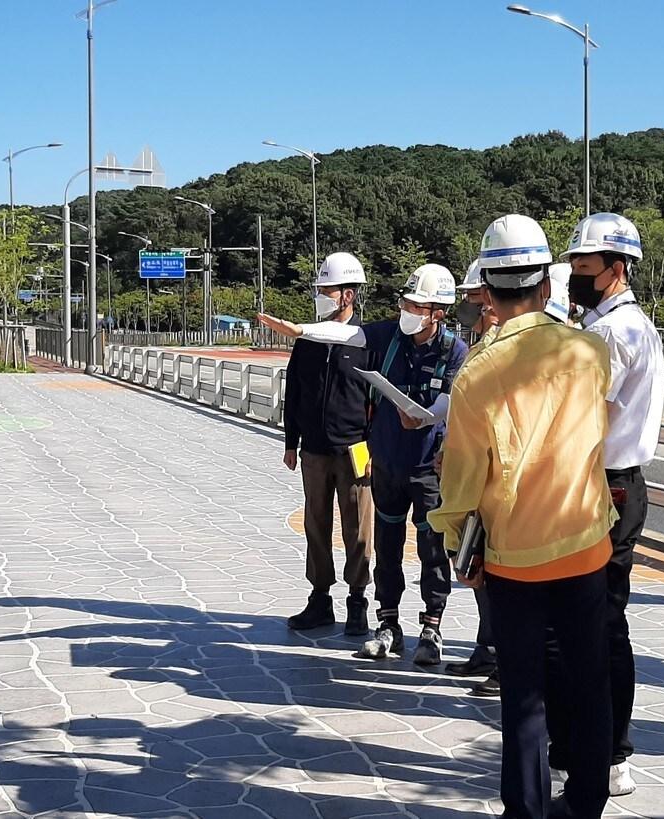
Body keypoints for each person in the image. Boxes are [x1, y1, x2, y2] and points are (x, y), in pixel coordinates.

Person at [429, 214, 616, 819]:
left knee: (525, 694)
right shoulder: (588, 351)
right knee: (590, 681)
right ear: (547, 282)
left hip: (512, 557)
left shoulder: (478, 369)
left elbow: (460, 474)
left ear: (486, 286)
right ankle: (587, 800)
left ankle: (526, 809)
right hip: (585, 540)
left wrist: (458, 539)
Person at [258, 263, 469, 666]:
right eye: (404, 302)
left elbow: (447, 401)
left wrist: (425, 417)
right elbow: (344, 334)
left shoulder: (454, 351)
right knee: (388, 548)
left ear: (437, 312)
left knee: (431, 549)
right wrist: (299, 331)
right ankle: (387, 623)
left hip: (427, 468)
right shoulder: (390, 337)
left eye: (415, 304)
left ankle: (431, 626)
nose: (405, 310)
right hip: (388, 462)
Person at [545, 212, 664, 798]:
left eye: (584, 267)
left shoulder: (619, 332)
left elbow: (587, 408)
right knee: (583, 620)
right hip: (600, 481)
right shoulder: (602, 323)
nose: (574, 276)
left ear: (617, 268)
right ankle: (579, 744)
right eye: (571, 265)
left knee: (601, 622)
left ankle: (610, 752)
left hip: (610, 482)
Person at [282, 252, 374, 636]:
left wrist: (376, 448)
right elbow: (295, 390)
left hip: (355, 449)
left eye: (326, 289)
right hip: (314, 449)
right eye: (320, 289)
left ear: (347, 295)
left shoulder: (367, 341)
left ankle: (357, 601)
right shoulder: (309, 340)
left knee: (358, 528)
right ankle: (319, 598)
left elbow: (378, 398)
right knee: (315, 523)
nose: (320, 295)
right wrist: (291, 440)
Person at [443, 260, 503, 696]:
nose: (466, 307)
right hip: (471, 477)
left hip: (493, 481)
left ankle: (503, 659)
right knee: (475, 568)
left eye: (472, 298)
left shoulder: (502, 351)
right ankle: (486, 648)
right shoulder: (483, 344)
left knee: (496, 576)